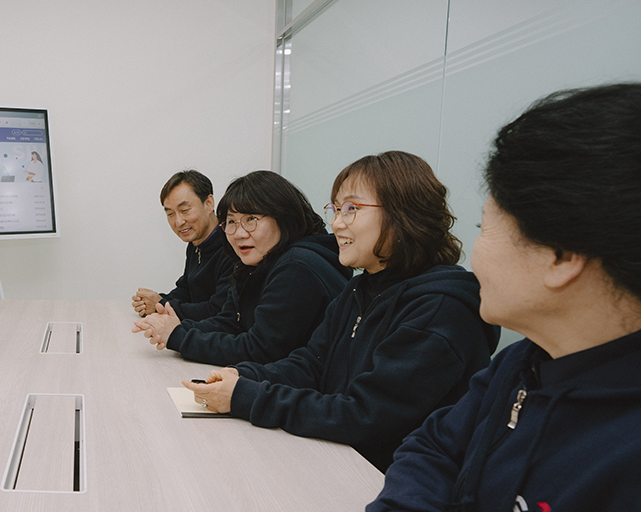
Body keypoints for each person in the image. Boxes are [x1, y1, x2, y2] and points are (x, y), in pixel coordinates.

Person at [355, 85, 641, 512]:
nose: (473, 258)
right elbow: (432, 449)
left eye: (486, 229)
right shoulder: (528, 363)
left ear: (561, 255)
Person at [184, 151, 498, 471]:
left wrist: (246, 396)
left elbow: (365, 416)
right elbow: (310, 364)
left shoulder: (439, 310)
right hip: (337, 459)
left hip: (384, 481)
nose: (336, 223)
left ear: (403, 213)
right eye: (335, 209)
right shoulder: (360, 288)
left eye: (352, 209)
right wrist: (244, 376)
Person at [134, 171, 350, 365]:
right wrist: (173, 327)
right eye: (231, 222)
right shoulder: (255, 261)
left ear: (283, 216)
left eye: (251, 219)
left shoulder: (297, 267)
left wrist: (178, 336)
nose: (239, 233)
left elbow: (259, 349)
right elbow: (230, 321)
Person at [133, 169, 238, 323]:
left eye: (184, 210)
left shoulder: (234, 245)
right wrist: (153, 301)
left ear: (208, 204)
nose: (178, 222)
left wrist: (160, 305)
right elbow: (187, 290)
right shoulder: (196, 243)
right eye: (170, 214)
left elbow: (217, 310)